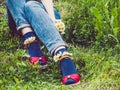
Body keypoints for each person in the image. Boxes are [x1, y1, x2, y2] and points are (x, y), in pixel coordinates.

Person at [6, 0, 80, 85]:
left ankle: (62, 53)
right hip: (18, 18)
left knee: (31, 5)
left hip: (40, 13)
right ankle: (30, 38)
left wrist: (52, 19)